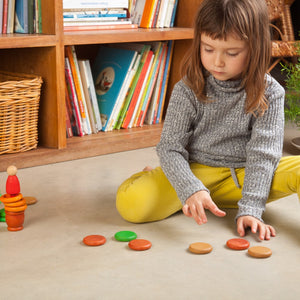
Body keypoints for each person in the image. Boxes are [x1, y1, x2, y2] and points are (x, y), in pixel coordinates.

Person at [116, 0, 300, 241]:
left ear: (255, 48)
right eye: (208, 49)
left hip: (246, 177)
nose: (218, 62)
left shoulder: (271, 92)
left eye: (232, 53)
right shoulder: (187, 89)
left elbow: (263, 154)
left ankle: (231, 199)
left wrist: (252, 208)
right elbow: (170, 146)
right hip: (197, 172)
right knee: (130, 202)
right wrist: (190, 187)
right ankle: (157, 175)